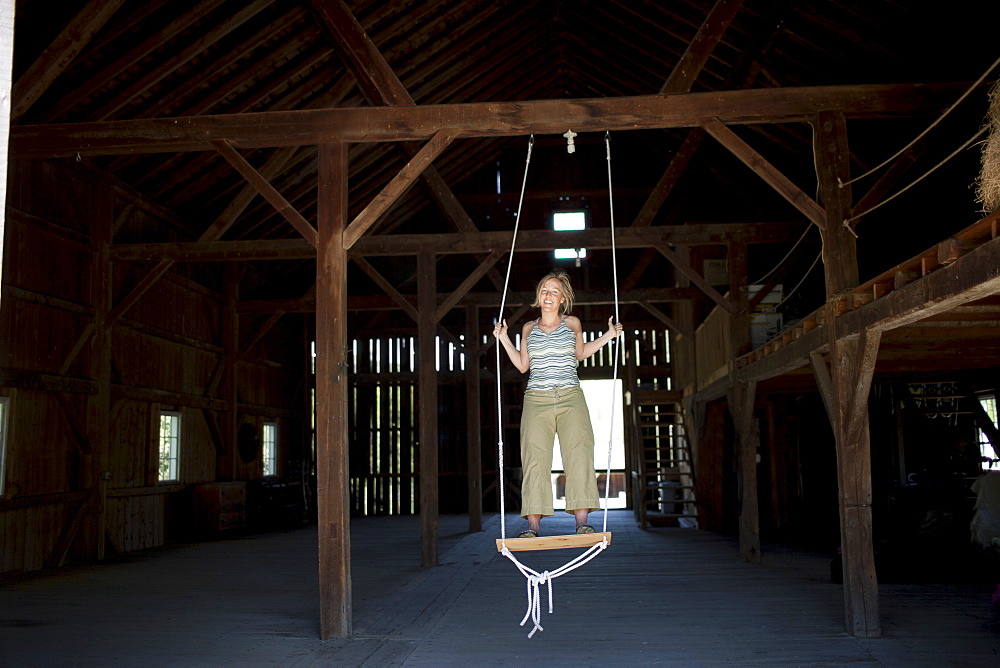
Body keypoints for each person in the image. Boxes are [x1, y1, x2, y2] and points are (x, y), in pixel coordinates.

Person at [493, 271, 623, 537]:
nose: (548, 295)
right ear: (538, 297)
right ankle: (532, 526)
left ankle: (582, 523)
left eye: (554, 291)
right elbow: (521, 365)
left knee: (579, 454)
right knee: (534, 458)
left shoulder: (572, 323)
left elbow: (582, 353)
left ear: (563, 298)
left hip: (570, 396)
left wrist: (609, 335)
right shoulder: (529, 328)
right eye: (544, 290)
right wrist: (504, 338)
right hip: (536, 399)